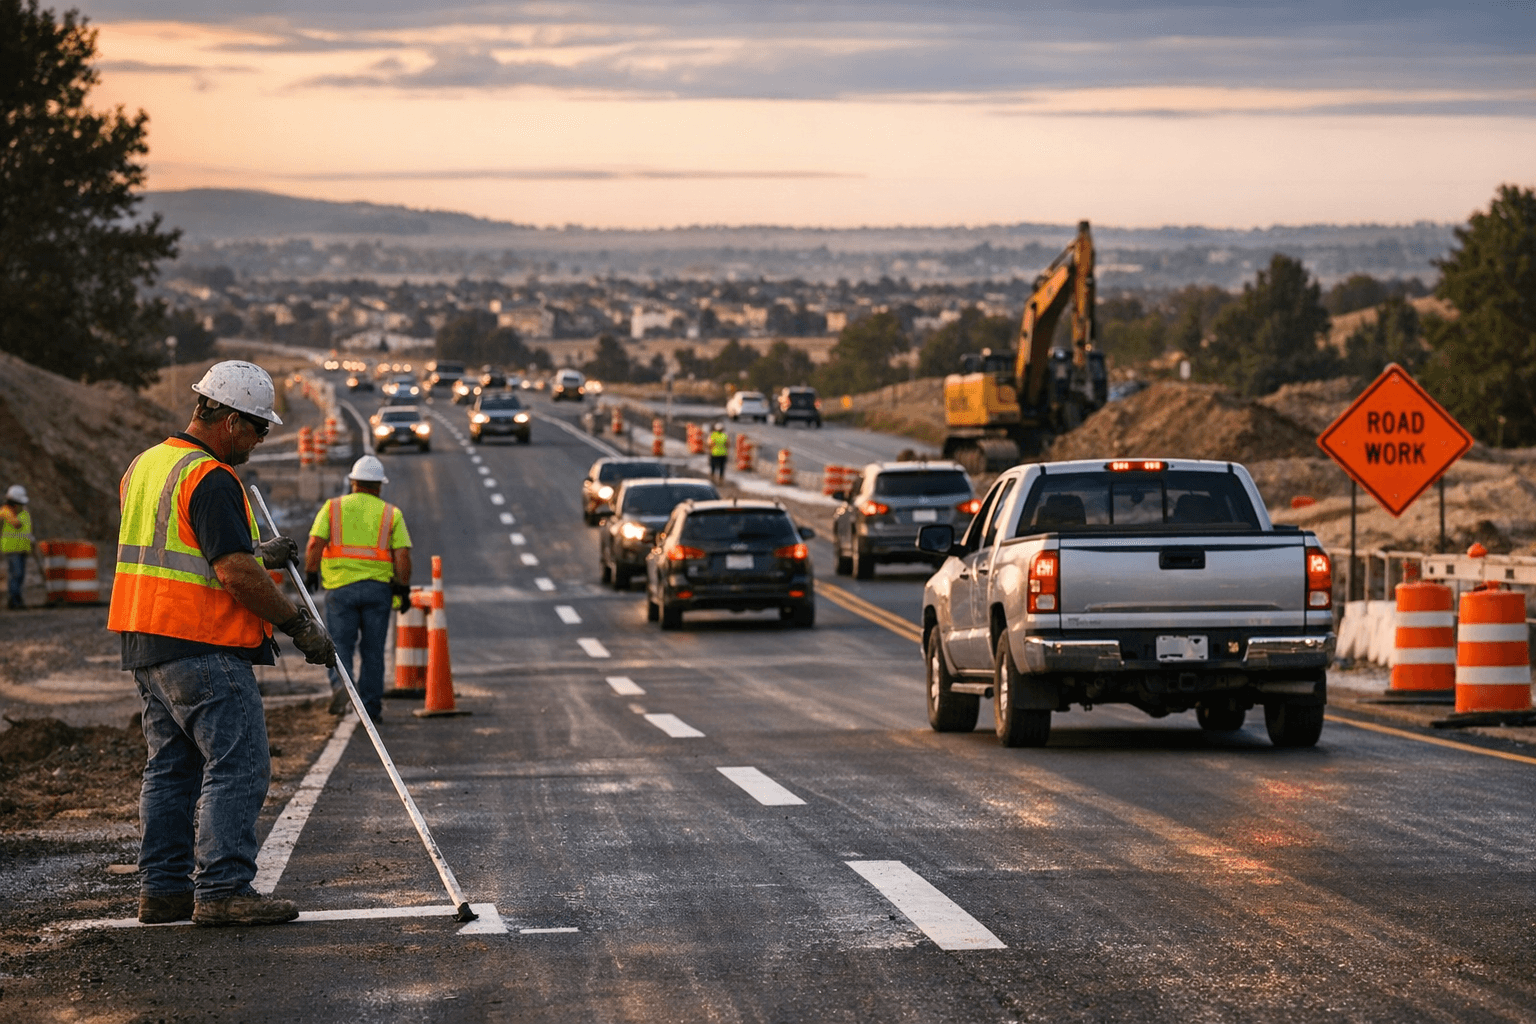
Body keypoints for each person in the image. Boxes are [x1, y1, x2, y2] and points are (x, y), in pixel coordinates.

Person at [109, 360, 337, 927]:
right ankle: (223, 890)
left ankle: (162, 890)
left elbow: (181, 546)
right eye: (259, 429)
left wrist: (262, 554)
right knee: (240, 765)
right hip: (201, 643)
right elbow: (231, 572)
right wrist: (296, 625)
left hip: (146, 638)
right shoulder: (211, 477)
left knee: (170, 770)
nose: (259, 443)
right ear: (232, 420)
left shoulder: (146, 465)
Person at [304, 455, 412, 724]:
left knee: (340, 645)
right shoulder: (391, 513)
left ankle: (342, 687)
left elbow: (314, 544)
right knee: (373, 652)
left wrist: (310, 572)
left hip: (340, 590)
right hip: (378, 591)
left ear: (353, 482)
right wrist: (403, 588)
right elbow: (402, 556)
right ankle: (371, 708)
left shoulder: (332, 508)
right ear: (379, 486)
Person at [2, 485, 34, 609]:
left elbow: (26, 529)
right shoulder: (5, 512)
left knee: (20, 575)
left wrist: (31, 539)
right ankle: (14, 600)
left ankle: (17, 598)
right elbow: (16, 524)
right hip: (12, 548)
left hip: (23, 548)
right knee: (16, 574)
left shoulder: (24, 512)